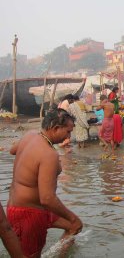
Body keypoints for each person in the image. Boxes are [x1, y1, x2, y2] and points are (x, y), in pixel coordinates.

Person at [7, 109, 83, 258]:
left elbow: (12, 150)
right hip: (28, 215)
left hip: (30, 209)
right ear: (55, 128)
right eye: (68, 132)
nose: (69, 136)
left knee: (74, 226)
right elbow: (47, 198)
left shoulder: (30, 136)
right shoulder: (49, 154)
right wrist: (73, 216)